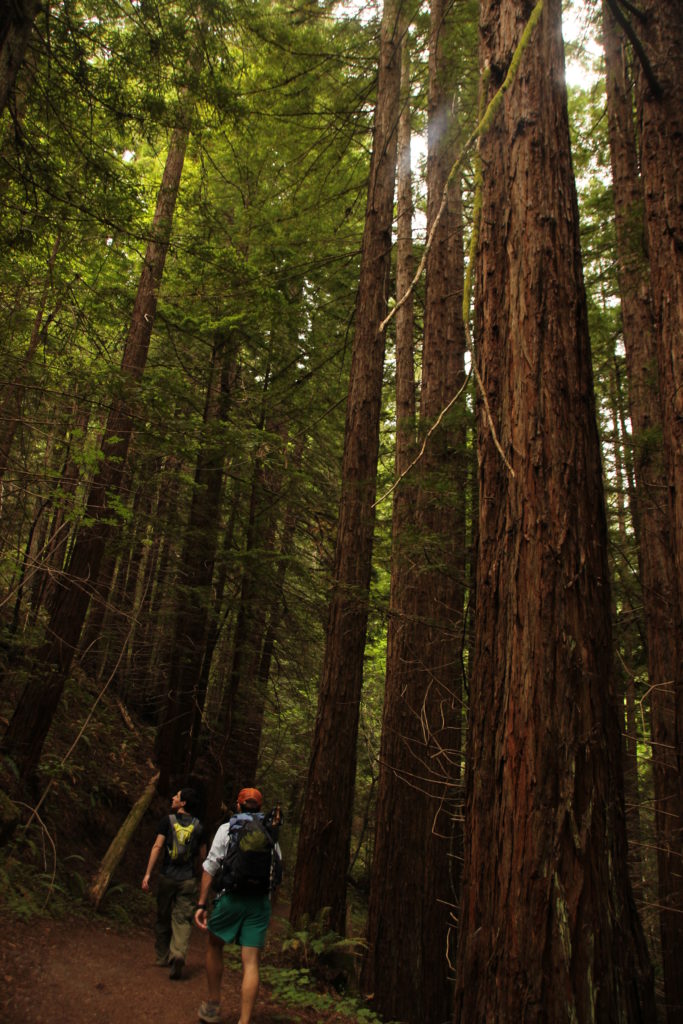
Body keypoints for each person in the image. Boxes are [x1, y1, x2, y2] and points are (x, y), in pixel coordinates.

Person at [194, 787, 282, 1024]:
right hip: (259, 902)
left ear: (239, 805)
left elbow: (210, 866)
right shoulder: (269, 833)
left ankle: (213, 1005)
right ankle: (244, 1021)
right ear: (260, 808)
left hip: (231, 898)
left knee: (214, 944)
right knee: (251, 962)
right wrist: (268, 906)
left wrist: (201, 904)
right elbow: (276, 873)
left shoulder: (228, 828)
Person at [142, 787, 206, 980]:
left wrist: (147, 874)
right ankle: (178, 953)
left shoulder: (166, 821)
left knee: (163, 915)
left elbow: (157, 846)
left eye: (177, 796)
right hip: (188, 880)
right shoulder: (199, 827)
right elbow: (204, 859)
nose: (173, 798)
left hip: (167, 876)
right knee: (182, 919)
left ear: (183, 803)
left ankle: (162, 956)